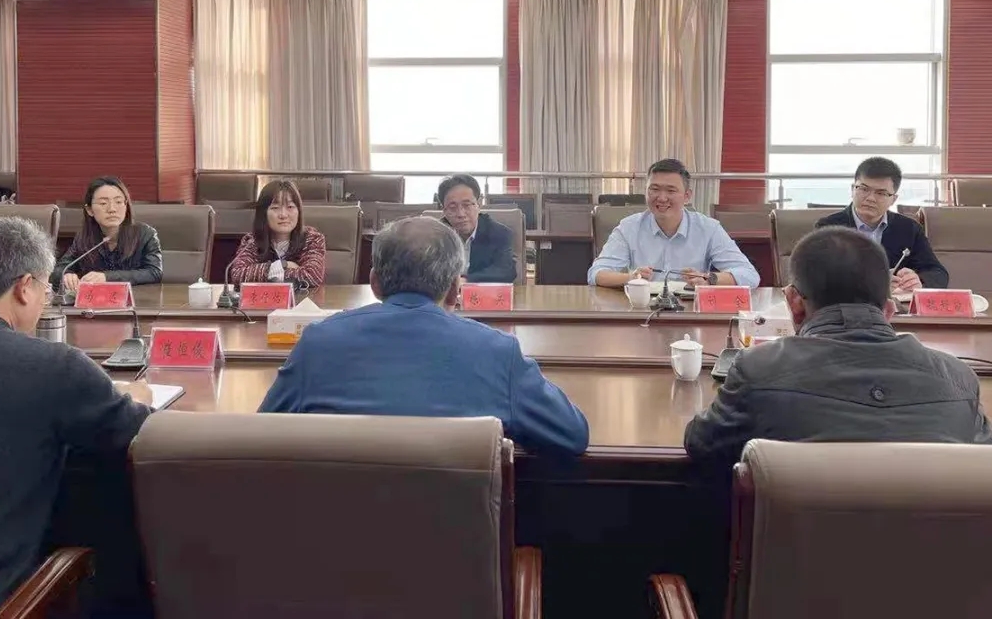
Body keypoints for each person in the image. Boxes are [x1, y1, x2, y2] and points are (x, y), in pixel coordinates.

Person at [0, 217, 151, 611]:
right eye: (46, 288)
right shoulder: (56, 368)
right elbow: (145, 437)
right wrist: (135, 397)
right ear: (24, 288)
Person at [258, 216, 589, 457]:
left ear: (374, 283)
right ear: (456, 289)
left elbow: (260, 438)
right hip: (459, 535)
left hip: (336, 533)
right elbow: (572, 434)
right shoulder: (499, 352)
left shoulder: (317, 344)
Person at [685, 226, 990, 476]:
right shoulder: (959, 381)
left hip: (793, 536)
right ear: (888, 311)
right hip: (928, 537)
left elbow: (701, 444)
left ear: (794, 303)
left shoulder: (758, 370)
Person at [588, 158, 760, 289]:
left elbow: (749, 275)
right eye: (654, 189)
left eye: (671, 191)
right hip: (642, 309)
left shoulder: (709, 228)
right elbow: (595, 274)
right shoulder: (629, 227)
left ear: (687, 196)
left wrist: (709, 278)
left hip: (691, 310)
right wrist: (631, 278)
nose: (662, 198)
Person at [815, 156, 948, 291]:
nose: (870, 198)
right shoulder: (828, 228)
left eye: (881, 193)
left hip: (897, 303)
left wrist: (919, 280)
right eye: (864, 189)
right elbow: (816, 277)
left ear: (893, 199)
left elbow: (938, 273)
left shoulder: (909, 228)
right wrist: (871, 285)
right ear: (853, 189)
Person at [52, 176, 163, 292]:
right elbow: (58, 270)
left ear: (126, 206)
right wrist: (66, 275)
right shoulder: (84, 238)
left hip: (138, 299)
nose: (112, 209)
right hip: (97, 300)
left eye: (118, 202)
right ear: (89, 210)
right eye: (103, 203)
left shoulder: (145, 234)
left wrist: (107, 277)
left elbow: (154, 272)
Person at [228, 179, 326, 287]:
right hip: (264, 298)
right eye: (275, 208)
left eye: (290, 207)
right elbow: (238, 275)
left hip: (301, 298)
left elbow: (312, 276)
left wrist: (262, 273)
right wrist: (284, 265)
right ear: (263, 213)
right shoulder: (251, 241)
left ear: (299, 211)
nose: (283, 215)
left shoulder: (312, 239)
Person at [438, 174, 517, 283]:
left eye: (467, 205)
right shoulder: (436, 235)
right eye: (452, 207)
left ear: (479, 204)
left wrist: (466, 281)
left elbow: (505, 271)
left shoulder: (499, 233)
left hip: (480, 292)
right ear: (444, 210)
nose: (461, 214)